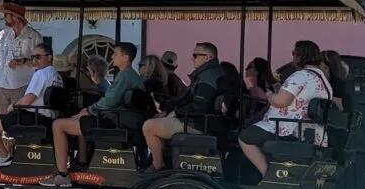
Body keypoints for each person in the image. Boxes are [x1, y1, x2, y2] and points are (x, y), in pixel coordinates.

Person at [41, 42, 143, 187]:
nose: (112, 56)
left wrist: (88, 109)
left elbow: (110, 101)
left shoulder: (125, 76)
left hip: (112, 121)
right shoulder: (129, 75)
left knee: (58, 125)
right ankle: (81, 160)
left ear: (125, 58)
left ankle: (62, 174)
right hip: (118, 118)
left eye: (115, 53)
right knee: (79, 120)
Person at [239, 40, 333, 177]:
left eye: (294, 53)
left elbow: (281, 101)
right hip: (313, 131)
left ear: (300, 56)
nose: (293, 57)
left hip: (291, 129)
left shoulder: (301, 75)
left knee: (245, 137)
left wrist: (270, 95)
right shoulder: (322, 78)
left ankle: (267, 176)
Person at [142, 42, 224, 171]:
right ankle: (167, 159)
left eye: (195, 55)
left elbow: (198, 107)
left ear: (208, 57)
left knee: (148, 126)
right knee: (160, 119)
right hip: (203, 122)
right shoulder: (210, 73)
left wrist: (176, 112)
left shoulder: (207, 78)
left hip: (198, 124)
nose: (192, 58)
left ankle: (157, 164)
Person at [0, 44, 63, 167]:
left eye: (38, 57)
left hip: (34, 118)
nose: (35, 60)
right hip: (49, 118)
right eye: (33, 57)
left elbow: (29, 99)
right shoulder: (57, 76)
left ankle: (3, 155)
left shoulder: (41, 74)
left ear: (50, 57)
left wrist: (13, 106)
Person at [243, 58, 277, 126]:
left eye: (250, 67)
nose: (246, 69)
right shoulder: (252, 87)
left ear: (257, 71)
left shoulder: (260, 89)